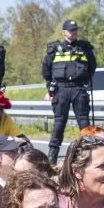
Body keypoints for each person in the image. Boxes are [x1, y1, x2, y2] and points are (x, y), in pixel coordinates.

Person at [41, 20, 97, 164]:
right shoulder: (54, 49)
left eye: (75, 30)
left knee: (84, 122)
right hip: (61, 89)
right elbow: (46, 70)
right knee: (59, 123)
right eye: (70, 30)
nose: (73, 33)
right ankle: (52, 156)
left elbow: (92, 67)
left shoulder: (84, 48)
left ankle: (88, 153)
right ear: (64, 32)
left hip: (79, 88)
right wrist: (51, 86)